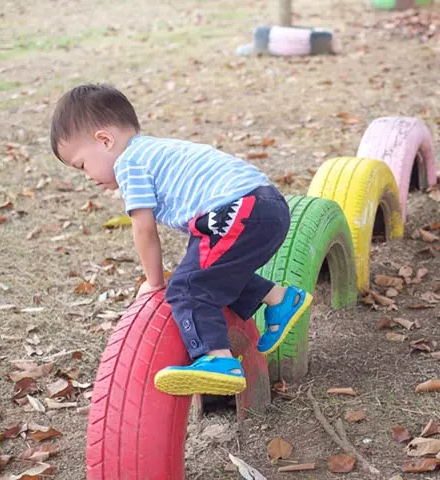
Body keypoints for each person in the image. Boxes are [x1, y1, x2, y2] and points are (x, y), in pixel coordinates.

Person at [50, 83, 312, 396]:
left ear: (104, 140)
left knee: (188, 286)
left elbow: (144, 228)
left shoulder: (128, 163)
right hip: (265, 205)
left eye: (82, 165)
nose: (87, 177)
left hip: (236, 210)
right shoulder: (153, 151)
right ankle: (279, 298)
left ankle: (216, 359)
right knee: (211, 273)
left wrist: (154, 282)